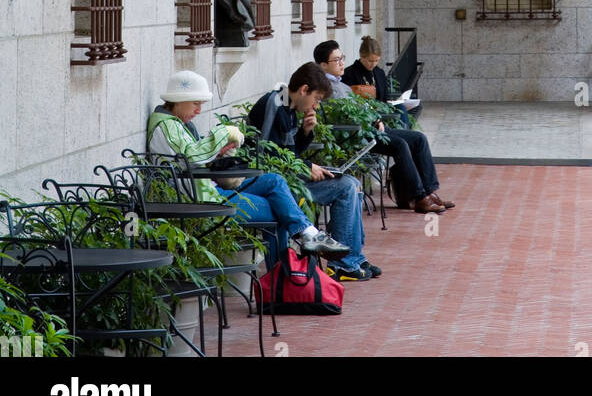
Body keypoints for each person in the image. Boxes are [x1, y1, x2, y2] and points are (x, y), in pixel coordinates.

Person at [146, 70, 350, 267]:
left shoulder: (177, 123)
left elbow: (194, 157)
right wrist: (223, 134)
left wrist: (221, 152)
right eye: (196, 104)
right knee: (279, 210)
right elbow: (191, 156)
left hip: (209, 188)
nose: (199, 110)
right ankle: (285, 275)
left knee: (274, 181)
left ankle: (305, 239)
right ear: (178, 100)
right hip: (201, 198)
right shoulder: (166, 125)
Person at [247, 62, 380, 282]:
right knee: (346, 187)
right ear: (303, 90)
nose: (316, 105)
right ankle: (344, 264)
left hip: (286, 179)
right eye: (316, 98)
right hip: (274, 185)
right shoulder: (275, 106)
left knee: (351, 184)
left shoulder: (287, 107)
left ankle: (354, 258)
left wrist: (304, 132)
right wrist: (306, 168)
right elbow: (267, 156)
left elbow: (288, 152)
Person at [313, 40, 454, 214]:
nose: (342, 63)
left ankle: (430, 192)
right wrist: (368, 122)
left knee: (418, 138)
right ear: (323, 65)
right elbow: (342, 118)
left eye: (342, 58)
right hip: (356, 135)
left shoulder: (342, 84)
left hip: (372, 128)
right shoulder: (324, 88)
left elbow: (363, 108)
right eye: (337, 60)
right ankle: (419, 197)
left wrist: (376, 118)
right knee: (400, 144)